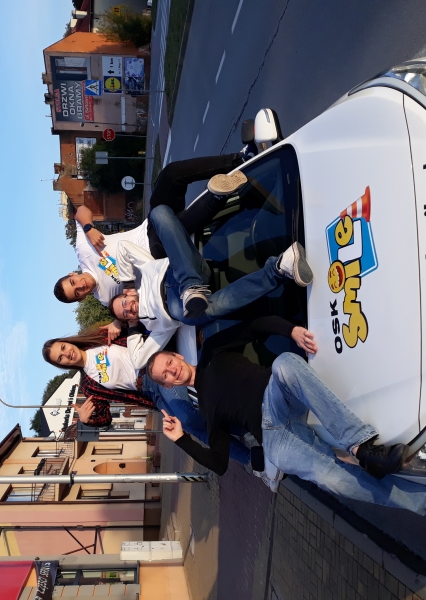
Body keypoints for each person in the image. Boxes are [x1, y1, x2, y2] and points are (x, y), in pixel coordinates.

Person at [147, 316, 426, 555]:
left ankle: (362, 447)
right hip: (273, 434)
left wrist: (290, 330)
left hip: (278, 394)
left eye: (169, 363)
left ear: (178, 356)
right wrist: (182, 439)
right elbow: (219, 463)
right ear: (168, 385)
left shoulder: (213, 350)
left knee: (285, 363)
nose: (172, 370)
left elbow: (254, 326)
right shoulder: (207, 413)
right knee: (331, 479)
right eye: (165, 376)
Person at [54, 153, 252, 308]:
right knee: (181, 225)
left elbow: (81, 210)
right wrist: (117, 322)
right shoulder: (106, 298)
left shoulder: (83, 251)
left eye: (73, 283)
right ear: (81, 299)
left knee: (171, 175)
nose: (81, 286)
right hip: (157, 252)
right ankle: (219, 195)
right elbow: (129, 307)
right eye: (77, 293)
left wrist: (88, 228)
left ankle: (239, 160)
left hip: (149, 225)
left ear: (72, 274)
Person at [41, 328, 251, 464]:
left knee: (187, 418)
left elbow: (135, 327)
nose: (67, 354)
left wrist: (117, 323)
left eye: (63, 347)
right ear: (62, 365)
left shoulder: (100, 337)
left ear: (67, 342)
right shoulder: (88, 386)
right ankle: (251, 457)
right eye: (61, 358)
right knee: (190, 426)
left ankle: (245, 434)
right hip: (149, 393)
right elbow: (106, 418)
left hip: (155, 370)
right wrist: (87, 421)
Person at [109, 234, 312, 370]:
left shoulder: (148, 273)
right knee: (215, 306)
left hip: (184, 275)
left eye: (124, 303)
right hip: (186, 308)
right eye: (125, 314)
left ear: (128, 294)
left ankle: (278, 268)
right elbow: (138, 361)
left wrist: (128, 284)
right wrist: (133, 328)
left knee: (159, 213)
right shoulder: (157, 328)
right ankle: (278, 268)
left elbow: (123, 247)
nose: (128, 309)